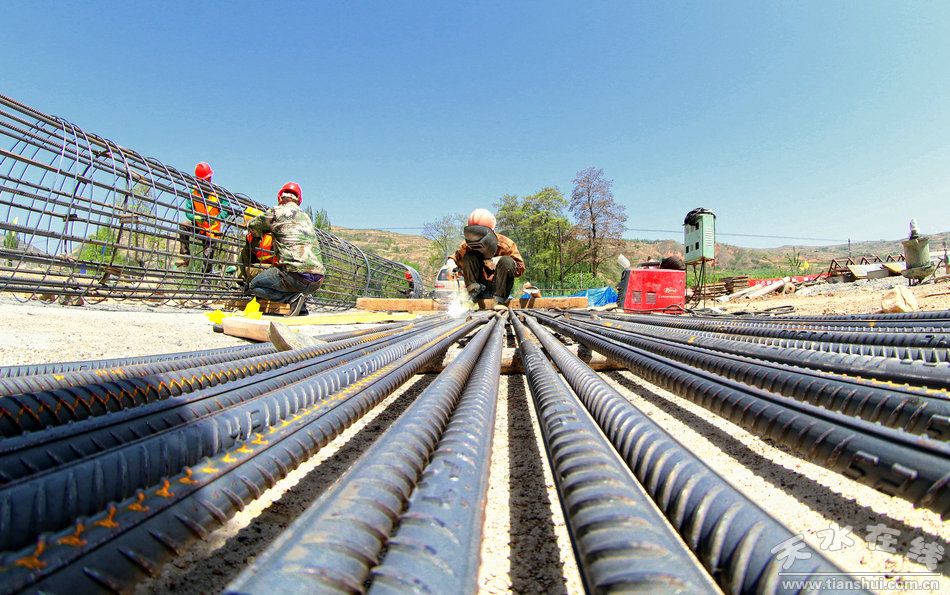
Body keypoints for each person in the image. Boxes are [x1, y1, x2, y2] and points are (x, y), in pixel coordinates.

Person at [245, 182, 325, 316]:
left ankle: (291, 298)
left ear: (280, 198)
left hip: (294, 275)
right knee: (295, 280)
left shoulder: (276, 212)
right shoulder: (306, 218)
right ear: (298, 200)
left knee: (254, 286)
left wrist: (258, 234)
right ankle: (300, 304)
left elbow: (253, 226)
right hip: (317, 280)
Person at [447, 208, 524, 310]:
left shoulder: (506, 244)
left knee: (507, 261)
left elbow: (520, 268)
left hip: (500, 287)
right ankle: (472, 298)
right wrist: (450, 263)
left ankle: (499, 301)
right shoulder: (466, 246)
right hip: (479, 286)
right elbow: (455, 257)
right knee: (469, 257)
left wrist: (500, 260)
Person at [177, 162, 233, 271]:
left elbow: (227, 209)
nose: (209, 181)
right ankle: (185, 257)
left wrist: (216, 218)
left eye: (209, 178)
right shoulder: (193, 192)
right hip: (199, 227)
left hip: (212, 231)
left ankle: (206, 277)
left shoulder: (217, 192)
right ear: (199, 180)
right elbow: (188, 211)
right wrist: (197, 217)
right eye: (206, 179)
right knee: (184, 225)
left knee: (208, 258)